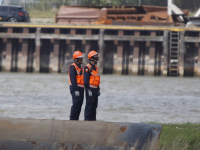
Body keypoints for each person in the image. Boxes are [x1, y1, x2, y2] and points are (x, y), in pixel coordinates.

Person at [84, 51, 100, 121]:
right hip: (90, 90)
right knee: (89, 106)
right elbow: (86, 81)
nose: (97, 59)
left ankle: (93, 119)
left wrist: (98, 89)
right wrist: (88, 90)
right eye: (96, 58)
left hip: (95, 90)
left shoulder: (95, 68)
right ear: (91, 58)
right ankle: (87, 120)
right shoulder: (87, 67)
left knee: (94, 106)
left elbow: (96, 79)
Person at [68, 51, 84, 120]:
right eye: (80, 59)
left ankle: (76, 118)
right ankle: (72, 118)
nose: (81, 60)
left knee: (80, 104)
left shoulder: (80, 68)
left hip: (81, 88)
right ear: (75, 59)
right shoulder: (73, 67)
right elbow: (73, 79)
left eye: (81, 59)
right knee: (76, 104)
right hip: (75, 88)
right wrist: (76, 90)